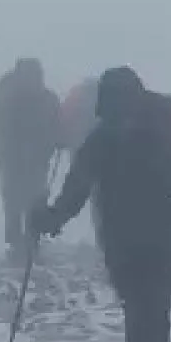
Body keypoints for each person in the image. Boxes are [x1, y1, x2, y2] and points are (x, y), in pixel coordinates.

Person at [30, 66, 171, 342]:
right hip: (161, 236)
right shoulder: (159, 133)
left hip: (121, 239)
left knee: (140, 311)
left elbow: (76, 189)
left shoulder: (101, 139)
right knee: (154, 310)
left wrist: (51, 218)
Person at [0, 57, 61, 263]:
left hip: (27, 160)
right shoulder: (9, 98)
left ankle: (25, 247)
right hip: (19, 161)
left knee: (25, 202)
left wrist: (57, 139)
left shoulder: (39, 99)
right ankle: (23, 247)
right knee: (19, 203)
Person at [59, 76, 104, 248]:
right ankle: (103, 236)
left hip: (78, 151)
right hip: (103, 154)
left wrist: (62, 140)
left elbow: (63, 124)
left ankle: (101, 236)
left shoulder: (75, 101)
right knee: (100, 196)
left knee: (85, 191)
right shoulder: (104, 99)